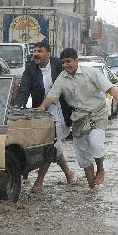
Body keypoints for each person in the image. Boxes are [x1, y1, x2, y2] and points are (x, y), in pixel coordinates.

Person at [38, 48, 118, 189]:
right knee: (83, 156)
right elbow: (52, 96)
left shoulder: (90, 72)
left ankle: (101, 169)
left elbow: (109, 87)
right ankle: (92, 188)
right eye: (63, 62)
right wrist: (41, 108)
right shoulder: (62, 77)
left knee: (95, 143)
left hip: (97, 113)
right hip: (78, 117)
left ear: (76, 61)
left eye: (69, 62)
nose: (66, 65)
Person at [17, 41, 75, 193]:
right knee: (54, 145)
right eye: (35, 51)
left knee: (51, 145)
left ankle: (39, 180)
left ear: (48, 54)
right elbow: (24, 90)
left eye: (40, 51)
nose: (36, 54)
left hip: (62, 111)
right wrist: (19, 108)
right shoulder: (30, 69)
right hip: (42, 112)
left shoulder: (59, 65)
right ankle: (69, 174)